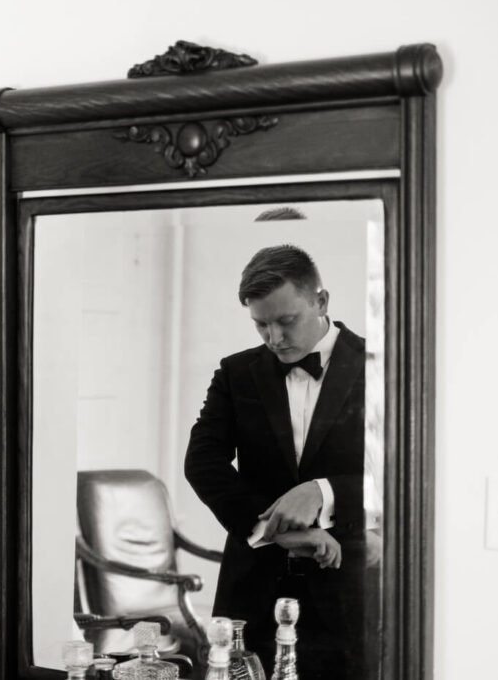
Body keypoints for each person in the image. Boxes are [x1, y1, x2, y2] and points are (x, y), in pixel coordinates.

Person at [184, 244, 367, 680]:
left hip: (348, 590)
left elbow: (408, 473)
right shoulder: (236, 372)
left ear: (321, 301)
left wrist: (323, 492)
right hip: (252, 593)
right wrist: (273, 530)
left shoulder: (384, 366)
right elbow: (202, 461)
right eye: (260, 324)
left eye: (286, 321)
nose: (274, 339)